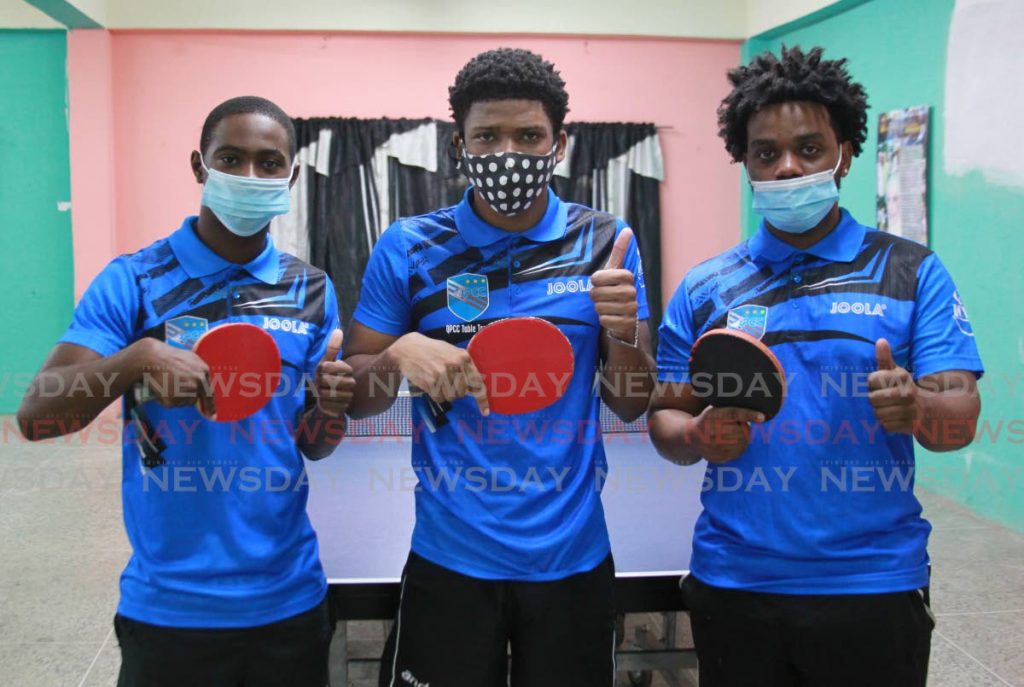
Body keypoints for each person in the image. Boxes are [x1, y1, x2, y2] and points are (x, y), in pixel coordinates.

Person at [649, 46, 983, 687]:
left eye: (809, 147)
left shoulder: (912, 271)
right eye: (766, 153)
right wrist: (695, 436)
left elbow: (961, 423)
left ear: (846, 153)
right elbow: (666, 414)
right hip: (735, 581)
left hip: (874, 583)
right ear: (744, 163)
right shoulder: (705, 286)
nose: (787, 167)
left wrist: (917, 408)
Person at [17, 96, 354, 687]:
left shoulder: (312, 290)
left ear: (292, 176)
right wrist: (137, 360)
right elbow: (38, 417)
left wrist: (329, 407)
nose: (250, 176)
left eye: (269, 163)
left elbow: (312, 445)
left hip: (289, 596)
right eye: (231, 158)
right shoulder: (135, 278)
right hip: (170, 605)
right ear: (200, 167)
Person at [343, 48, 654, 687]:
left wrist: (620, 332)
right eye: (488, 135)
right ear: (460, 143)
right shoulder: (409, 245)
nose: (508, 151)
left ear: (559, 144)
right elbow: (357, 397)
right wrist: (398, 352)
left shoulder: (606, 242)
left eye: (529, 135)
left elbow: (632, 401)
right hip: (450, 555)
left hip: (572, 555)